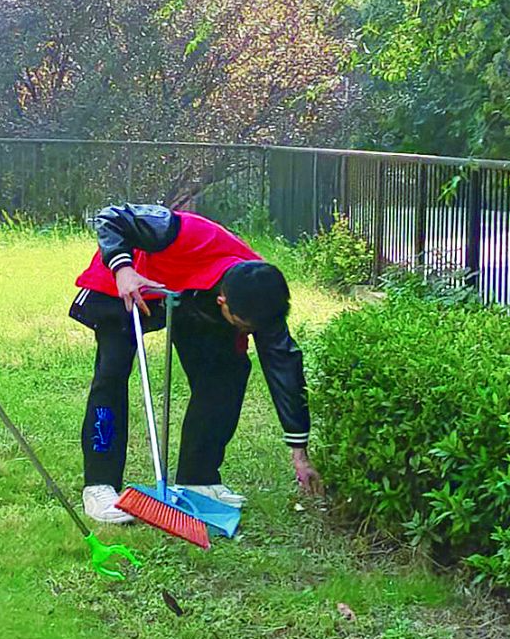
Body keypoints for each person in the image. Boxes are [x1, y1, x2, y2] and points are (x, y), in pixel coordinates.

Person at [68, 203, 321, 524]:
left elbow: (284, 365)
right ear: (223, 302)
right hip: (127, 283)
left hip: (191, 296)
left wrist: (299, 451)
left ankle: (198, 479)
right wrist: (122, 267)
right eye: (242, 326)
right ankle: (99, 485)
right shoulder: (180, 231)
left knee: (227, 372)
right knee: (111, 375)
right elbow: (111, 217)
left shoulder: (262, 292)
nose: (247, 333)